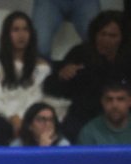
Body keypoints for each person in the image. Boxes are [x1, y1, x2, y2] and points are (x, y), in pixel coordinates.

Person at [44, 10, 130, 142]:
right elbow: (51, 87)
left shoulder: (127, 59)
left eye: (112, 36)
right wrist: (61, 76)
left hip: (122, 115)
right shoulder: (80, 53)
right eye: (102, 34)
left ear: (122, 38)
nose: (106, 39)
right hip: (83, 116)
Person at [0, 12, 51, 140]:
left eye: (25, 29)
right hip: (3, 117)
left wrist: (24, 120)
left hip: (30, 119)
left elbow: (36, 97)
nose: (21, 35)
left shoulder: (40, 67)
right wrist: (13, 117)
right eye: (16, 30)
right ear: (7, 34)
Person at [78, 79, 131, 144]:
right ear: (102, 102)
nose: (114, 105)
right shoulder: (89, 132)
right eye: (109, 99)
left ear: (129, 101)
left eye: (120, 99)